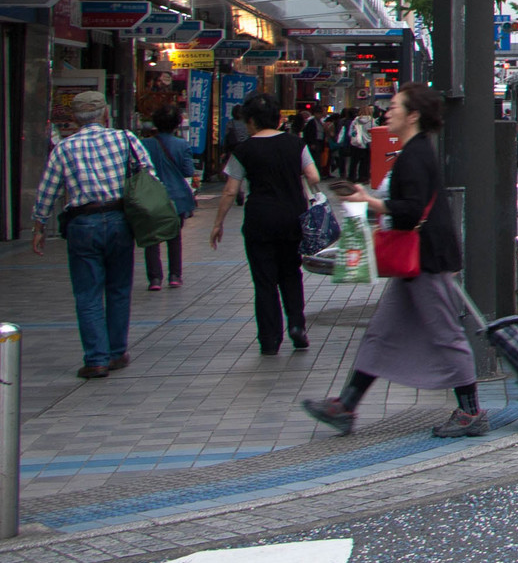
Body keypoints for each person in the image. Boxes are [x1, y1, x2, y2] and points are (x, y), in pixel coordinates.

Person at [303, 84, 485, 438]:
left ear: (413, 115)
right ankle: (346, 405)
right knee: (382, 332)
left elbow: (411, 210)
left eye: (396, 106)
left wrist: (367, 202)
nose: (388, 111)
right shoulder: (415, 150)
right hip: (415, 260)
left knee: (446, 333)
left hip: (424, 259)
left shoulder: (416, 154)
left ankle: (471, 411)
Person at [30, 89, 147, 378]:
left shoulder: (65, 148)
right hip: (120, 219)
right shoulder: (125, 139)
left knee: (88, 292)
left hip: (82, 224)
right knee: (119, 289)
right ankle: (117, 352)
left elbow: (48, 190)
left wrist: (39, 225)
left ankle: (96, 359)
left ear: (74, 118)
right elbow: (148, 177)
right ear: (105, 113)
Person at [213, 92, 319, 355]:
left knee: (264, 281)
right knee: (291, 275)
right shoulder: (296, 144)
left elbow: (230, 190)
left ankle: (270, 338)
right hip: (293, 218)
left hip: (259, 220)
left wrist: (218, 223)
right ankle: (297, 326)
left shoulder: (243, 150)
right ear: (278, 118)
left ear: (250, 121)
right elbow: (313, 176)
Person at [139, 105, 199, 292]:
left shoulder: (144, 144)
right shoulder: (182, 145)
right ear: (176, 125)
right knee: (174, 237)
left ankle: (155, 278)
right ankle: (174, 275)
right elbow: (188, 171)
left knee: (152, 238)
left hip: (151, 196)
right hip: (177, 197)